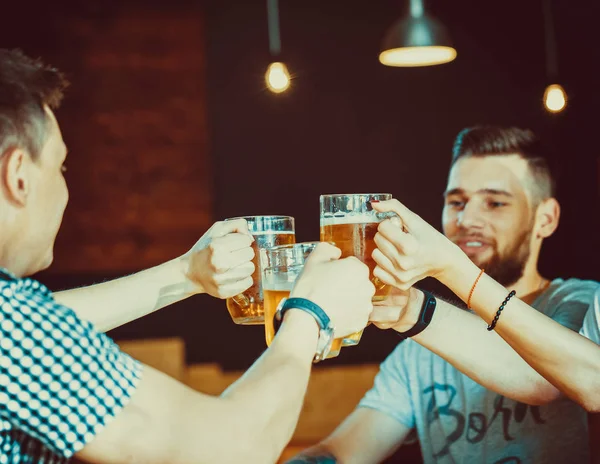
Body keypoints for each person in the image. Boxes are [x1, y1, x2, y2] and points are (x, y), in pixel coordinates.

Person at [0, 48, 375, 463]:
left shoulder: (17, 321)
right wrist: (311, 316)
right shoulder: (14, 328)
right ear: (18, 176)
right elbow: (233, 450)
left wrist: (188, 273)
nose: (65, 188)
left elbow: (48, 318)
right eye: (61, 167)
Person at [290, 126, 599, 463]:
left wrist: (445, 274)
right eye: (457, 202)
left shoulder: (579, 303)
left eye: (494, 203)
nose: (467, 219)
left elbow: (551, 379)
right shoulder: (419, 352)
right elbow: (344, 451)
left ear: (546, 219)